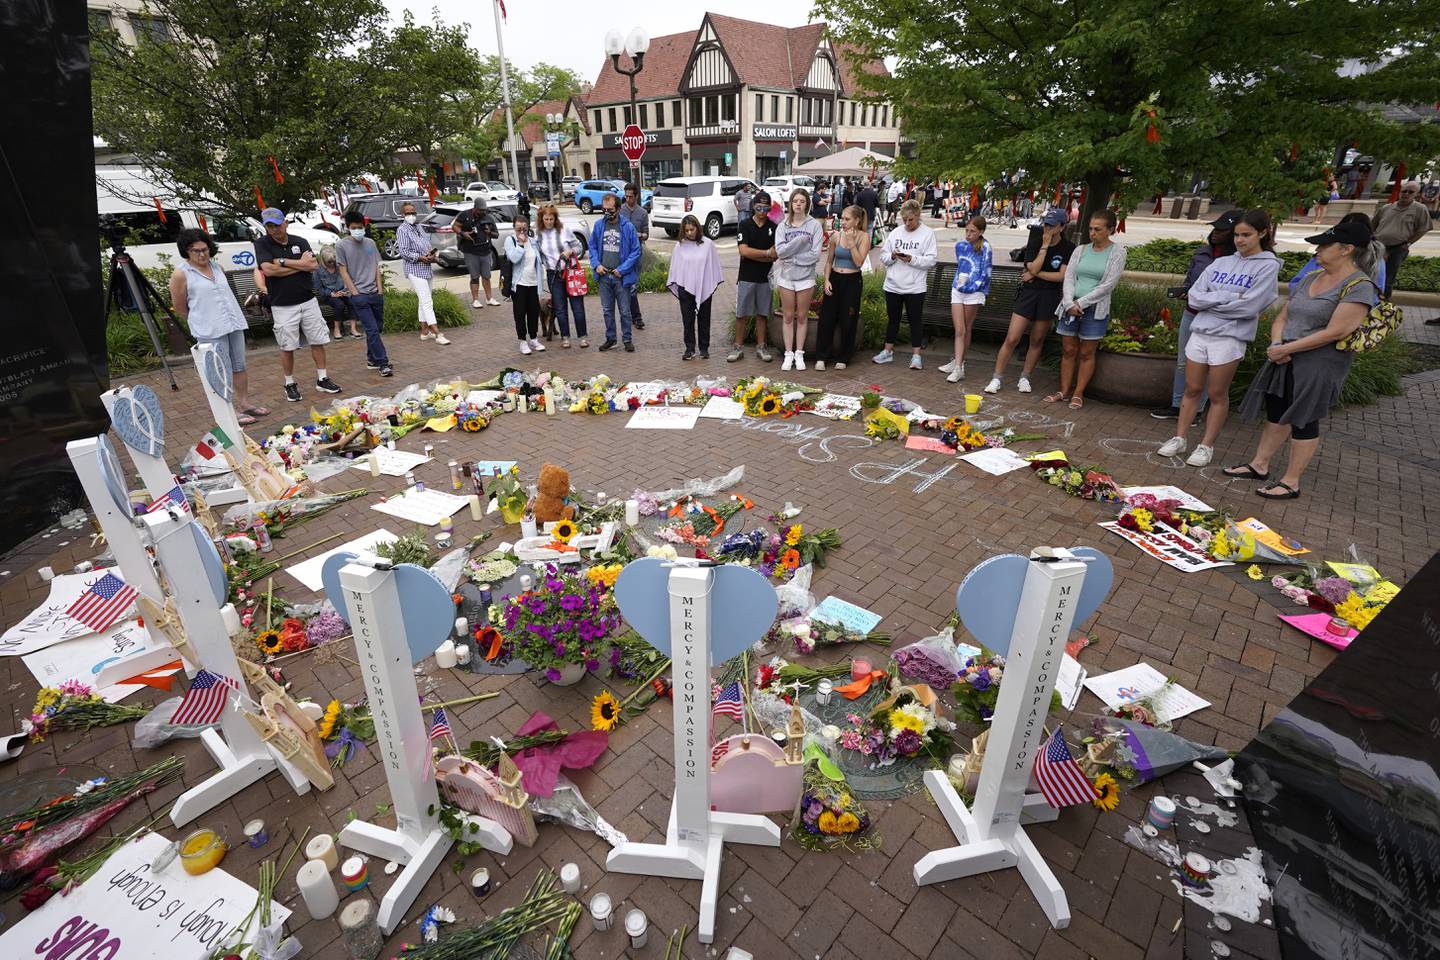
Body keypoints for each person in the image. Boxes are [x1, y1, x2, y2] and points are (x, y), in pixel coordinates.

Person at [1228, 221, 1378, 499]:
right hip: (1284, 356)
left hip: (1319, 363)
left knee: (1304, 418)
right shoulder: (1311, 278)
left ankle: (1291, 481)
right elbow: (1284, 315)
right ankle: (1259, 465)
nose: (1317, 251)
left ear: (1347, 249)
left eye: (1324, 245)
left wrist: (1290, 348)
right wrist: (1277, 343)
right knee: (1277, 411)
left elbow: (1337, 331)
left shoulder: (1359, 286)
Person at [1156, 208, 1281, 466]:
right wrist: (1228, 298)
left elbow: (1250, 306)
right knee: (1192, 388)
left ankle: (1206, 445)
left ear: (1263, 233)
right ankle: (1180, 437)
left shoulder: (1268, 266)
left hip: (1229, 337)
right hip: (1201, 331)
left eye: (1246, 235)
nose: (1239, 240)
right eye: (1237, 235)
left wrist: (1213, 300)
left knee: (1216, 392)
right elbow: (1195, 295)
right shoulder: (1221, 262)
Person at [170, 227, 267, 423]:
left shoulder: (217, 268)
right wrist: (202, 317)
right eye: (195, 250)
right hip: (209, 329)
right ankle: (228, 409)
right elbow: (180, 306)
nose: (201, 254)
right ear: (186, 251)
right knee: (219, 369)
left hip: (232, 323)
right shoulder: (181, 274)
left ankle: (244, 403)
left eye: (204, 249)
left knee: (239, 365)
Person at [1150, 211, 1239, 420]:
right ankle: (1177, 404)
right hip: (1192, 313)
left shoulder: (1235, 261)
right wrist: (1186, 292)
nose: (1215, 233)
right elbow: (1191, 281)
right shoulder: (1202, 253)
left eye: (1222, 230)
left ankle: (1197, 409)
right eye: (1214, 228)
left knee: (1209, 366)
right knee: (1185, 361)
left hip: (1217, 319)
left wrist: (1204, 298)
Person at [253, 208, 340, 402]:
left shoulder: (299, 241)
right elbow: (268, 270)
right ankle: (290, 383)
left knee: (317, 340)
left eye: (277, 224)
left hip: (307, 300)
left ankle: (322, 378)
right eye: (269, 226)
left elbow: (312, 266)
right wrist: (298, 264)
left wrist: (282, 262)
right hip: (282, 304)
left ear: (285, 222)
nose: (274, 229)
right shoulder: (262, 244)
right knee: (287, 345)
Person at [983, 208, 1074, 394]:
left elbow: (1061, 276)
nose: (1047, 229)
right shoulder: (1034, 243)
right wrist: (1044, 247)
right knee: (1012, 337)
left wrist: (1035, 274)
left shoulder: (1068, 248)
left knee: (1037, 338)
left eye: (1052, 225)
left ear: (1062, 227)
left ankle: (1025, 376)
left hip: (1049, 295)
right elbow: (1032, 266)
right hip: (1029, 293)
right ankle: (997, 378)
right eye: (1045, 225)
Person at [1049, 210, 1127, 409]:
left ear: (1110, 230)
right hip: (1070, 305)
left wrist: (1081, 303)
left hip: (1094, 309)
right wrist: (1068, 303)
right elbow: (1069, 277)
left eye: (1098, 229)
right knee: (1068, 350)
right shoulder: (1081, 250)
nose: (1093, 233)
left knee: (1086, 353)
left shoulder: (1117, 252)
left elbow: (1108, 285)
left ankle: (1078, 392)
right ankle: (1064, 390)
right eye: (1091, 229)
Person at [873, 200, 937, 369]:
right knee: (893, 319)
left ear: (918, 217)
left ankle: (916, 356)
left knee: (915, 320)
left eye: (911, 220)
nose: (907, 223)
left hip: (915, 286)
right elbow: (883, 256)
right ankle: (888, 351)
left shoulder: (927, 234)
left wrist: (911, 259)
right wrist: (893, 256)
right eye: (905, 220)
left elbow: (931, 261)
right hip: (893, 284)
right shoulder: (896, 233)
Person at [813, 204, 871, 371]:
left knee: (848, 319)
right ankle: (821, 356)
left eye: (847, 219)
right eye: (842, 219)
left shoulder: (863, 237)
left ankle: (844, 357)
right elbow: (829, 261)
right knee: (827, 318)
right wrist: (826, 280)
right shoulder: (836, 237)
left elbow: (859, 262)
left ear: (857, 220)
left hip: (852, 280)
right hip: (835, 278)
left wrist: (852, 242)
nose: (843, 222)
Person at [334, 212, 392, 377]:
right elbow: (343, 271)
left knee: (377, 328)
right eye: (354, 228)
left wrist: (380, 290)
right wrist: (355, 293)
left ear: (364, 227)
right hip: (359, 295)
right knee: (372, 329)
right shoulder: (341, 245)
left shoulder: (370, 243)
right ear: (347, 228)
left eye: (360, 227)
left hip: (375, 293)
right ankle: (383, 363)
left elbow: (376, 266)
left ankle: (372, 359)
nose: (357, 230)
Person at [774, 188, 825, 371]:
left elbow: (815, 255)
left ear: (807, 204)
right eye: (795, 201)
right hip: (786, 277)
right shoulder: (783, 226)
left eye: (802, 201)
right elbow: (780, 252)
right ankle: (788, 354)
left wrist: (793, 258)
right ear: (790, 203)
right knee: (788, 316)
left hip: (805, 277)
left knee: (802, 316)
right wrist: (800, 242)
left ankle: (799, 353)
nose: (798, 204)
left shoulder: (814, 226)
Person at [940, 216, 992, 383]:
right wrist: (960, 284)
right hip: (958, 289)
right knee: (959, 329)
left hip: (974, 292)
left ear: (981, 232)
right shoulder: (960, 246)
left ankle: (959, 365)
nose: (968, 234)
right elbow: (961, 266)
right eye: (967, 230)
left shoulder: (986, 248)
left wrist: (972, 286)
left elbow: (985, 273)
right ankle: (957, 362)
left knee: (965, 328)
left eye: (973, 231)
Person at [730, 190, 778, 363]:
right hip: (746, 276)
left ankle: (761, 346)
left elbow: (776, 254)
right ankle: (738, 347)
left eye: (766, 207)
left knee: (762, 313)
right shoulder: (744, 225)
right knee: (741, 313)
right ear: (753, 206)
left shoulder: (774, 227)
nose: (762, 210)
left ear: (770, 208)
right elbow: (743, 251)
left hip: (766, 277)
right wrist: (765, 253)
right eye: (759, 206)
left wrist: (755, 254)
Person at [588, 193, 640, 352]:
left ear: (618, 208)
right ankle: (611, 339)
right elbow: (592, 247)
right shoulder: (599, 225)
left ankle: (627, 339)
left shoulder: (628, 227)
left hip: (621, 277)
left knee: (625, 311)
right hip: (604, 276)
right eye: (604, 209)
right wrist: (596, 264)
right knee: (607, 311)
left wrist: (622, 269)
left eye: (610, 209)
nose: (606, 212)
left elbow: (636, 251)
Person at [667, 214, 724, 360]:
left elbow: (713, 265)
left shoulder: (708, 244)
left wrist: (710, 282)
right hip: (685, 287)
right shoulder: (679, 246)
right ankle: (689, 348)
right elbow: (676, 267)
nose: (690, 233)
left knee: (704, 319)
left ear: (698, 228)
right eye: (686, 230)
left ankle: (704, 348)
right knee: (688, 320)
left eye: (692, 230)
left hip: (704, 285)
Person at [1287, 212, 1385, 295]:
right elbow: (1296, 284)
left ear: (1347, 249)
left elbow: (1375, 295)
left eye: (1326, 245)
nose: (1317, 249)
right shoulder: (1319, 260)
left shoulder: (1364, 281)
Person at [395, 201, 449, 345]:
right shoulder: (402, 230)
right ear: (403, 215)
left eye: (413, 212)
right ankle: (437, 333)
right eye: (408, 213)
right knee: (427, 301)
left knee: (423, 299)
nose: (411, 215)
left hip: (426, 267)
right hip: (414, 268)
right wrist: (420, 257)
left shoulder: (418, 227)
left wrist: (432, 254)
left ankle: (425, 332)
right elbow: (404, 252)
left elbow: (426, 244)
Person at [535, 204, 587, 348]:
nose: (549, 222)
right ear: (541, 219)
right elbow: (538, 254)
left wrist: (570, 251)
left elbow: (579, 247)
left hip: (570, 272)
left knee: (577, 306)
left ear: (555, 218)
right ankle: (565, 337)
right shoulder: (539, 235)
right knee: (560, 308)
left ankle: (582, 336)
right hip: (553, 274)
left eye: (552, 219)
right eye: (546, 219)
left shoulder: (565, 230)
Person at [1371, 180, 1431, 298]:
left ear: (1416, 194)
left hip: (1397, 248)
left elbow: (1423, 229)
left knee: (1388, 277)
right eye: (1404, 191)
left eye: (1410, 192)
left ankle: (1383, 305)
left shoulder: (1420, 209)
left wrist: (1408, 243)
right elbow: (1373, 225)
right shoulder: (1387, 208)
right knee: (1372, 274)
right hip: (1378, 247)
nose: (1406, 194)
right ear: (1399, 192)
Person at [505, 215, 546, 356]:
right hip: (519, 284)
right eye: (518, 229)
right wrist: (521, 244)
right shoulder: (510, 240)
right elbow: (514, 258)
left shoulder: (533, 241)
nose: (521, 231)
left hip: (533, 283)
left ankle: (534, 339)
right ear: (514, 228)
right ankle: (523, 341)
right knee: (520, 313)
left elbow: (540, 260)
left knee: (534, 313)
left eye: (524, 228)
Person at [453, 197, 502, 308]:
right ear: (474, 208)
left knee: (486, 276)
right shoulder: (465, 215)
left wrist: (489, 233)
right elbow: (455, 226)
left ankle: (489, 298)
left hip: (486, 251)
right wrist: (463, 233)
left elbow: (496, 234)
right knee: (474, 276)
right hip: (470, 251)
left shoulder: (488, 217)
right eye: (480, 210)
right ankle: (475, 300)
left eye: (484, 210)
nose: (483, 212)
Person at [312, 246, 359, 340]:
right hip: (328, 294)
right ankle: (337, 330)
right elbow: (319, 289)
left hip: (342, 292)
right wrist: (331, 294)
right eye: (329, 262)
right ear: (323, 261)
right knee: (339, 304)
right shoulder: (318, 271)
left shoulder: (340, 267)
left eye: (333, 261)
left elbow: (347, 280)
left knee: (353, 301)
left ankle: (353, 329)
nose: (332, 264)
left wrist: (345, 290)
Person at [621, 183, 650, 330]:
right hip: (622, 255)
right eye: (626, 196)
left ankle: (635, 318)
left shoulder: (643, 213)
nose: (628, 199)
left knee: (632, 287)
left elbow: (646, 235)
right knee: (625, 287)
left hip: (637, 253)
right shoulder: (620, 211)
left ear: (636, 196)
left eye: (630, 197)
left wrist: (638, 235)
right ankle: (634, 317)